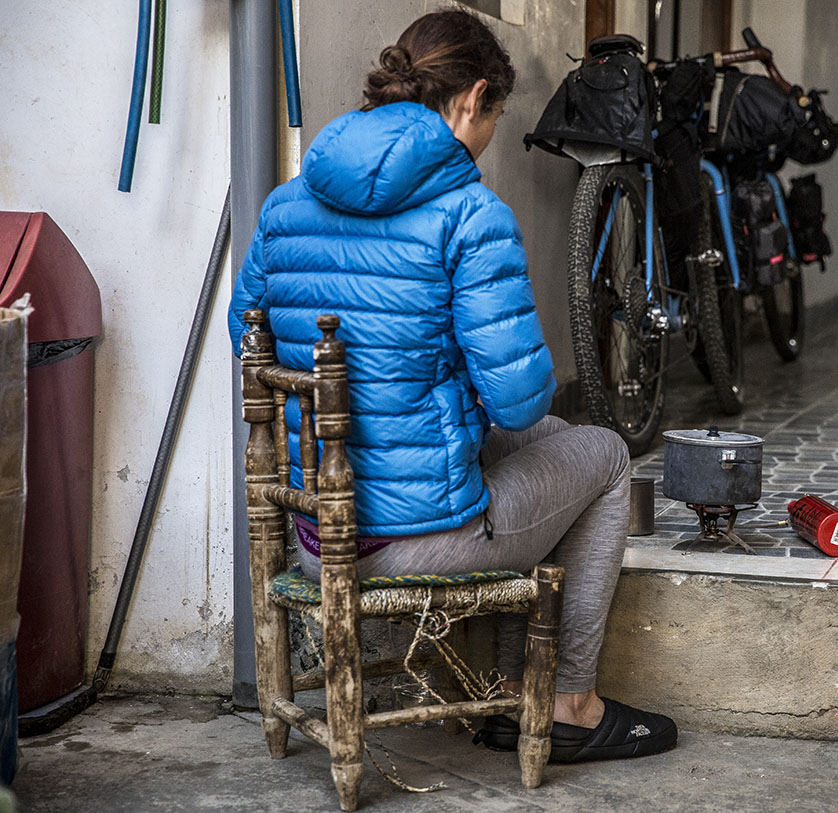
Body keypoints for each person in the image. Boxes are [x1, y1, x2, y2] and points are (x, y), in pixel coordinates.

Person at [227, 9, 676, 763]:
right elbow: (516, 399)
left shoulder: (285, 204)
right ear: (471, 99)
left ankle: (507, 685)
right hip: (413, 540)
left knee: (554, 445)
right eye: (495, 116)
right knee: (601, 453)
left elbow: (250, 345)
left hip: (314, 531)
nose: (489, 135)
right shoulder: (469, 216)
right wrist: (462, 366)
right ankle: (568, 699)